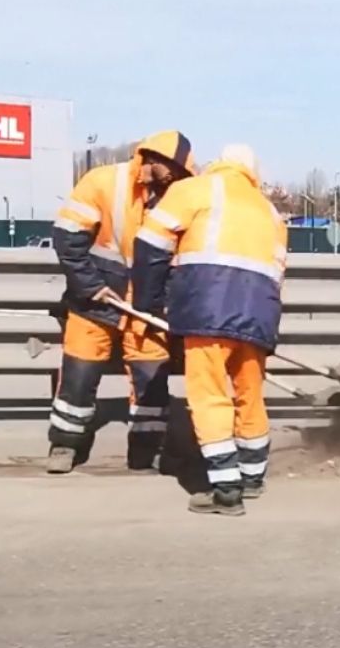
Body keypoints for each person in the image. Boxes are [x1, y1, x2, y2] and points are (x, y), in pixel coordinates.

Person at [131, 144, 288, 516]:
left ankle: (226, 491)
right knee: (249, 395)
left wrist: (148, 302)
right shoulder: (271, 212)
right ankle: (252, 478)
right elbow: (278, 275)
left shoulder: (195, 189)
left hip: (207, 310)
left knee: (210, 395)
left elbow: (150, 245)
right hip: (259, 315)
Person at [46, 131, 195, 474]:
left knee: (152, 379)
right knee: (79, 375)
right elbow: (67, 239)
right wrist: (90, 286)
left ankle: (146, 451)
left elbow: (182, 258)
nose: (171, 180)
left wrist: (166, 301)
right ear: (151, 159)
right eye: (168, 171)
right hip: (95, 304)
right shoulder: (102, 182)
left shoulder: (179, 198)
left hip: (147, 308)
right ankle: (66, 443)